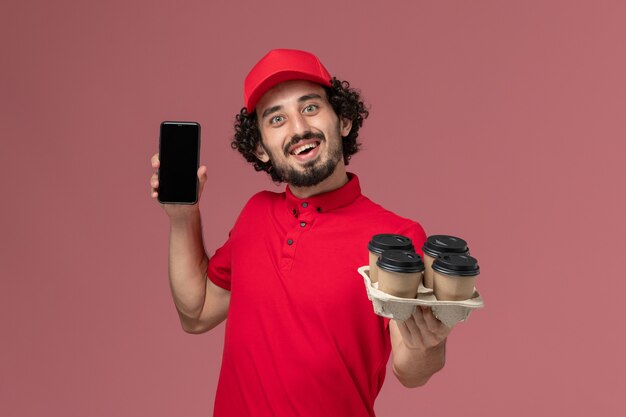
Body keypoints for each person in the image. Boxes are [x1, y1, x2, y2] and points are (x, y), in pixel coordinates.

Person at [150, 49, 452, 417]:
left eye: (310, 108)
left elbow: (410, 370)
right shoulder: (255, 215)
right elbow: (196, 313)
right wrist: (183, 216)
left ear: (343, 120)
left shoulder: (396, 235)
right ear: (261, 148)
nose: (298, 129)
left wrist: (430, 344)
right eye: (276, 119)